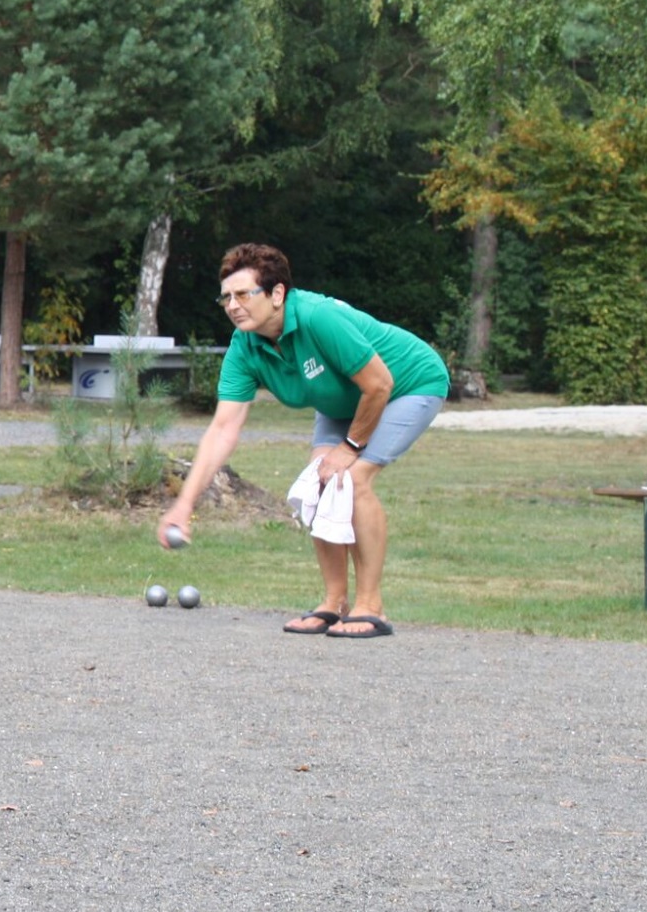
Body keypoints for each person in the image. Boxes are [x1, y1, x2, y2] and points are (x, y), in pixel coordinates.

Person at [158, 243, 448, 638]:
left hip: (408, 385)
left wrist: (349, 449)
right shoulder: (246, 347)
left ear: (277, 294)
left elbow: (379, 384)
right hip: (343, 400)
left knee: (352, 479)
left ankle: (370, 606)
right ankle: (334, 603)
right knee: (319, 481)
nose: (233, 306)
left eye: (243, 294)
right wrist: (184, 504)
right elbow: (223, 429)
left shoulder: (317, 317)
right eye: (226, 297)